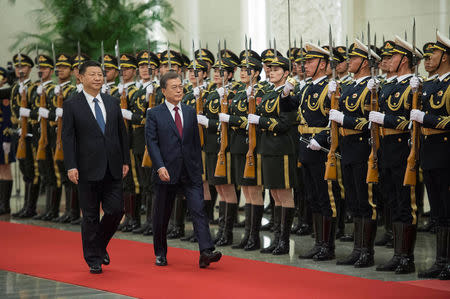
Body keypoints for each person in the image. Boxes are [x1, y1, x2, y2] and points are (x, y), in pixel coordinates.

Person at [145, 71, 222, 268]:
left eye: (180, 86)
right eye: (174, 87)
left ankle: (206, 251)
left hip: (190, 171)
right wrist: (159, 166)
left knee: (198, 209)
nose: (179, 90)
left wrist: (198, 168)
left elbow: (195, 143)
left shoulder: (189, 111)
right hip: (166, 172)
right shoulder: (154, 114)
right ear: (163, 91)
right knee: (162, 215)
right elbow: (152, 144)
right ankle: (160, 252)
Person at [62, 60, 130, 274]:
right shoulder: (72, 104)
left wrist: (126, 160)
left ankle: (98, 245)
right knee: (90, 215)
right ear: (80, 78)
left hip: (113, 165)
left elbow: (121, 133)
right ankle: (93, 258)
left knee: (116, 210)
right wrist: (71, 165)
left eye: (100, 74)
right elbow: (68, 138)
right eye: (92, 74)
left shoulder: (111, 102)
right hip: (86, 168)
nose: (98, 78)